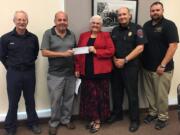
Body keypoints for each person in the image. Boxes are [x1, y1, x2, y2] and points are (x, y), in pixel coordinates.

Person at [0, 11, 41, 135]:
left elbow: (35, 55)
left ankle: (32, 123)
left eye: (24, 20)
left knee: (30, 100)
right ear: (14, 21)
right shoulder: (5, 38)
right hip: (14, 74)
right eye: (19, 20)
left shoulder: (33, 38)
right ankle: (10, 127)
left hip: (29, 73)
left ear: (27, 21)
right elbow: (2, 56)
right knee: (13, 101)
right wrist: (11, 68)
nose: (21, 22)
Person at [108, 7, 147, 132]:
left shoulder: (138, 29)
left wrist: (124, 60)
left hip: (130, 66)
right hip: (116, 66)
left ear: (130, 15)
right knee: (116, 91)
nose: (122, 16)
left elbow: (140, 48)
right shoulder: (114, 30)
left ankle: (135, 119)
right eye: (119, 15)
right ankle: (117, 114)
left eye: (124, 14)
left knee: (132, 94)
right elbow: (110, 47)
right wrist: (114, 59)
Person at [141, 1, 179, 130]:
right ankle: (153, 113)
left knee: (161, 95)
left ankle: (163, 117)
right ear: (150, 12)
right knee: (150, 94)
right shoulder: (146, 25)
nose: (155, 12)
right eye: (153, 11)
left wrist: (162, 65)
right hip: (147, 67)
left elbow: (173, 46)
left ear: (162, 10)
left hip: (162, 69)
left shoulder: (169, 25)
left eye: (157, 10)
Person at [75, 15, 115, 133]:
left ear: (101, 25)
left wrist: (96, 50)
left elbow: (111, 51)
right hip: (86, 72)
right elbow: (78, 53)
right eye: (93, 23)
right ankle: (93, 117)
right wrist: (77, 68)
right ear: (90, 24)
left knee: (100, 97)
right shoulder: (83, 35)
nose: (95, 25)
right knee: (90, 97)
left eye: (98, 23)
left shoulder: (106, 36)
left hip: (101, 73)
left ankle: (97, 120)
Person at [41, 11, 76, 135]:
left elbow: (74, 52)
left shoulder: (72, 34)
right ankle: (54, 123)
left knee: (69, 99)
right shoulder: (48, 34)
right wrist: (62, 54)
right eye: (59, 20)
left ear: (67, 21)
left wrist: (76, 69)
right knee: (55, 100)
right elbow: (44, 52)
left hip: (70, 74)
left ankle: (66, 120)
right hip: (55, 74)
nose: (62, 22)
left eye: (64, 20)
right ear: (55, 21)